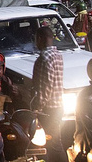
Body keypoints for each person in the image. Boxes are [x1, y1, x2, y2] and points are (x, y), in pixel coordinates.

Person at [32, 27, 66, 162]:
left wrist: (38, 108)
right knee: (54, 141)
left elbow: (45, 86)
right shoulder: (58, 55)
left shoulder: (44, 58)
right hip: (58, 106)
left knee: (51, 143)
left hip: (48, 109)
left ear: (40, 39)